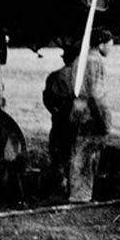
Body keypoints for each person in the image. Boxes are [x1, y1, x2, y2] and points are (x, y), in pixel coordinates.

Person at [68, 29, 114, 203]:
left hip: (78, 112)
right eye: (110, 44)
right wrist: (105, 119)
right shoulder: (96, 62)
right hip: (91, 115)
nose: (111, 48)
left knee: (78, 154)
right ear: (102, 43)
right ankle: (83, 195)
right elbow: (96, 94)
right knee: (89, 157)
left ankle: (76, 193)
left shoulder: (79, 59)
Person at [43, 44, 80, 197]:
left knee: (58, 155)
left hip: (59, 122)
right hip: (77, 123)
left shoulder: (55, 76)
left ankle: (60, 185)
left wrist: (56, 112)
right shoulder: (82, 76)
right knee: (74, 155)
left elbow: (47, 100)